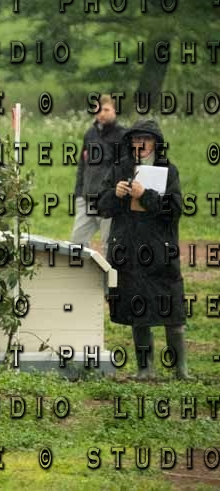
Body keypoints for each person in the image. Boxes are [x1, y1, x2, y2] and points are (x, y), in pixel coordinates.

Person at [96, 119, 191, 380]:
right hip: (129, 252)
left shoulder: (169, 171)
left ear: (156, 143)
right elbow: (101, 207)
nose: (140, 144)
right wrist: (114, 194)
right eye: (136, 139)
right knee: (138, 310)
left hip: (161, 252)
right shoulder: (119, 169)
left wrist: (145, 194)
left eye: (146, 139)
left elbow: (175, 210)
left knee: (172, 310)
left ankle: (180, 369)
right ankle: (145, 368)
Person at [71, 94, 127, 249]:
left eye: (106, 109)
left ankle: (111, 267)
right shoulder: (90, 134)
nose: (102, 113)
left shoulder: (123, 136)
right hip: (87, 198)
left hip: (109, 200)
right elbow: (82, 165)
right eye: (98, 110)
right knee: (76, 243)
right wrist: (79, 193)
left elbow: (125, 168)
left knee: (109, 245)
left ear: (115, 110)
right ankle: (84, 267)